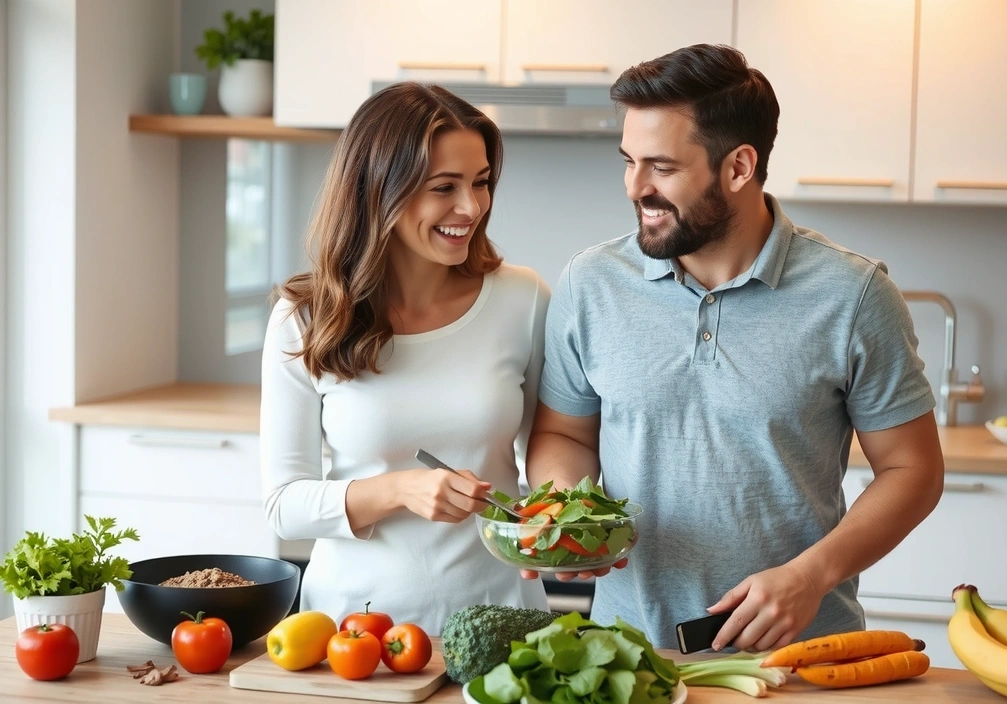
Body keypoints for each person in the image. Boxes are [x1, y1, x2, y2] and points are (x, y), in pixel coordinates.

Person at [524, 44, 944, 652]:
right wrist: (567, 518)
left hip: (798, 659)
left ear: (739, 167)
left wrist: (812, 574)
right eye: (628, 161)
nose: (634, 186)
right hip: (621, 654)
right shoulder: (591, 284)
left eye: (661, 167)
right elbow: (563, 435)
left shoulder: (853, 296)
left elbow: (914, 470)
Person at [261, 82, 551, 635]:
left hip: (504, 620)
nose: (471, 207)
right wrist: (399, 489)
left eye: (482, 182)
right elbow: (284, 504)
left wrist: (563, 523)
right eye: (445, 187)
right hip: (355, 632)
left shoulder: (524, 300)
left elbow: (550, 453)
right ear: (379, 192)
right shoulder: (305, 317)